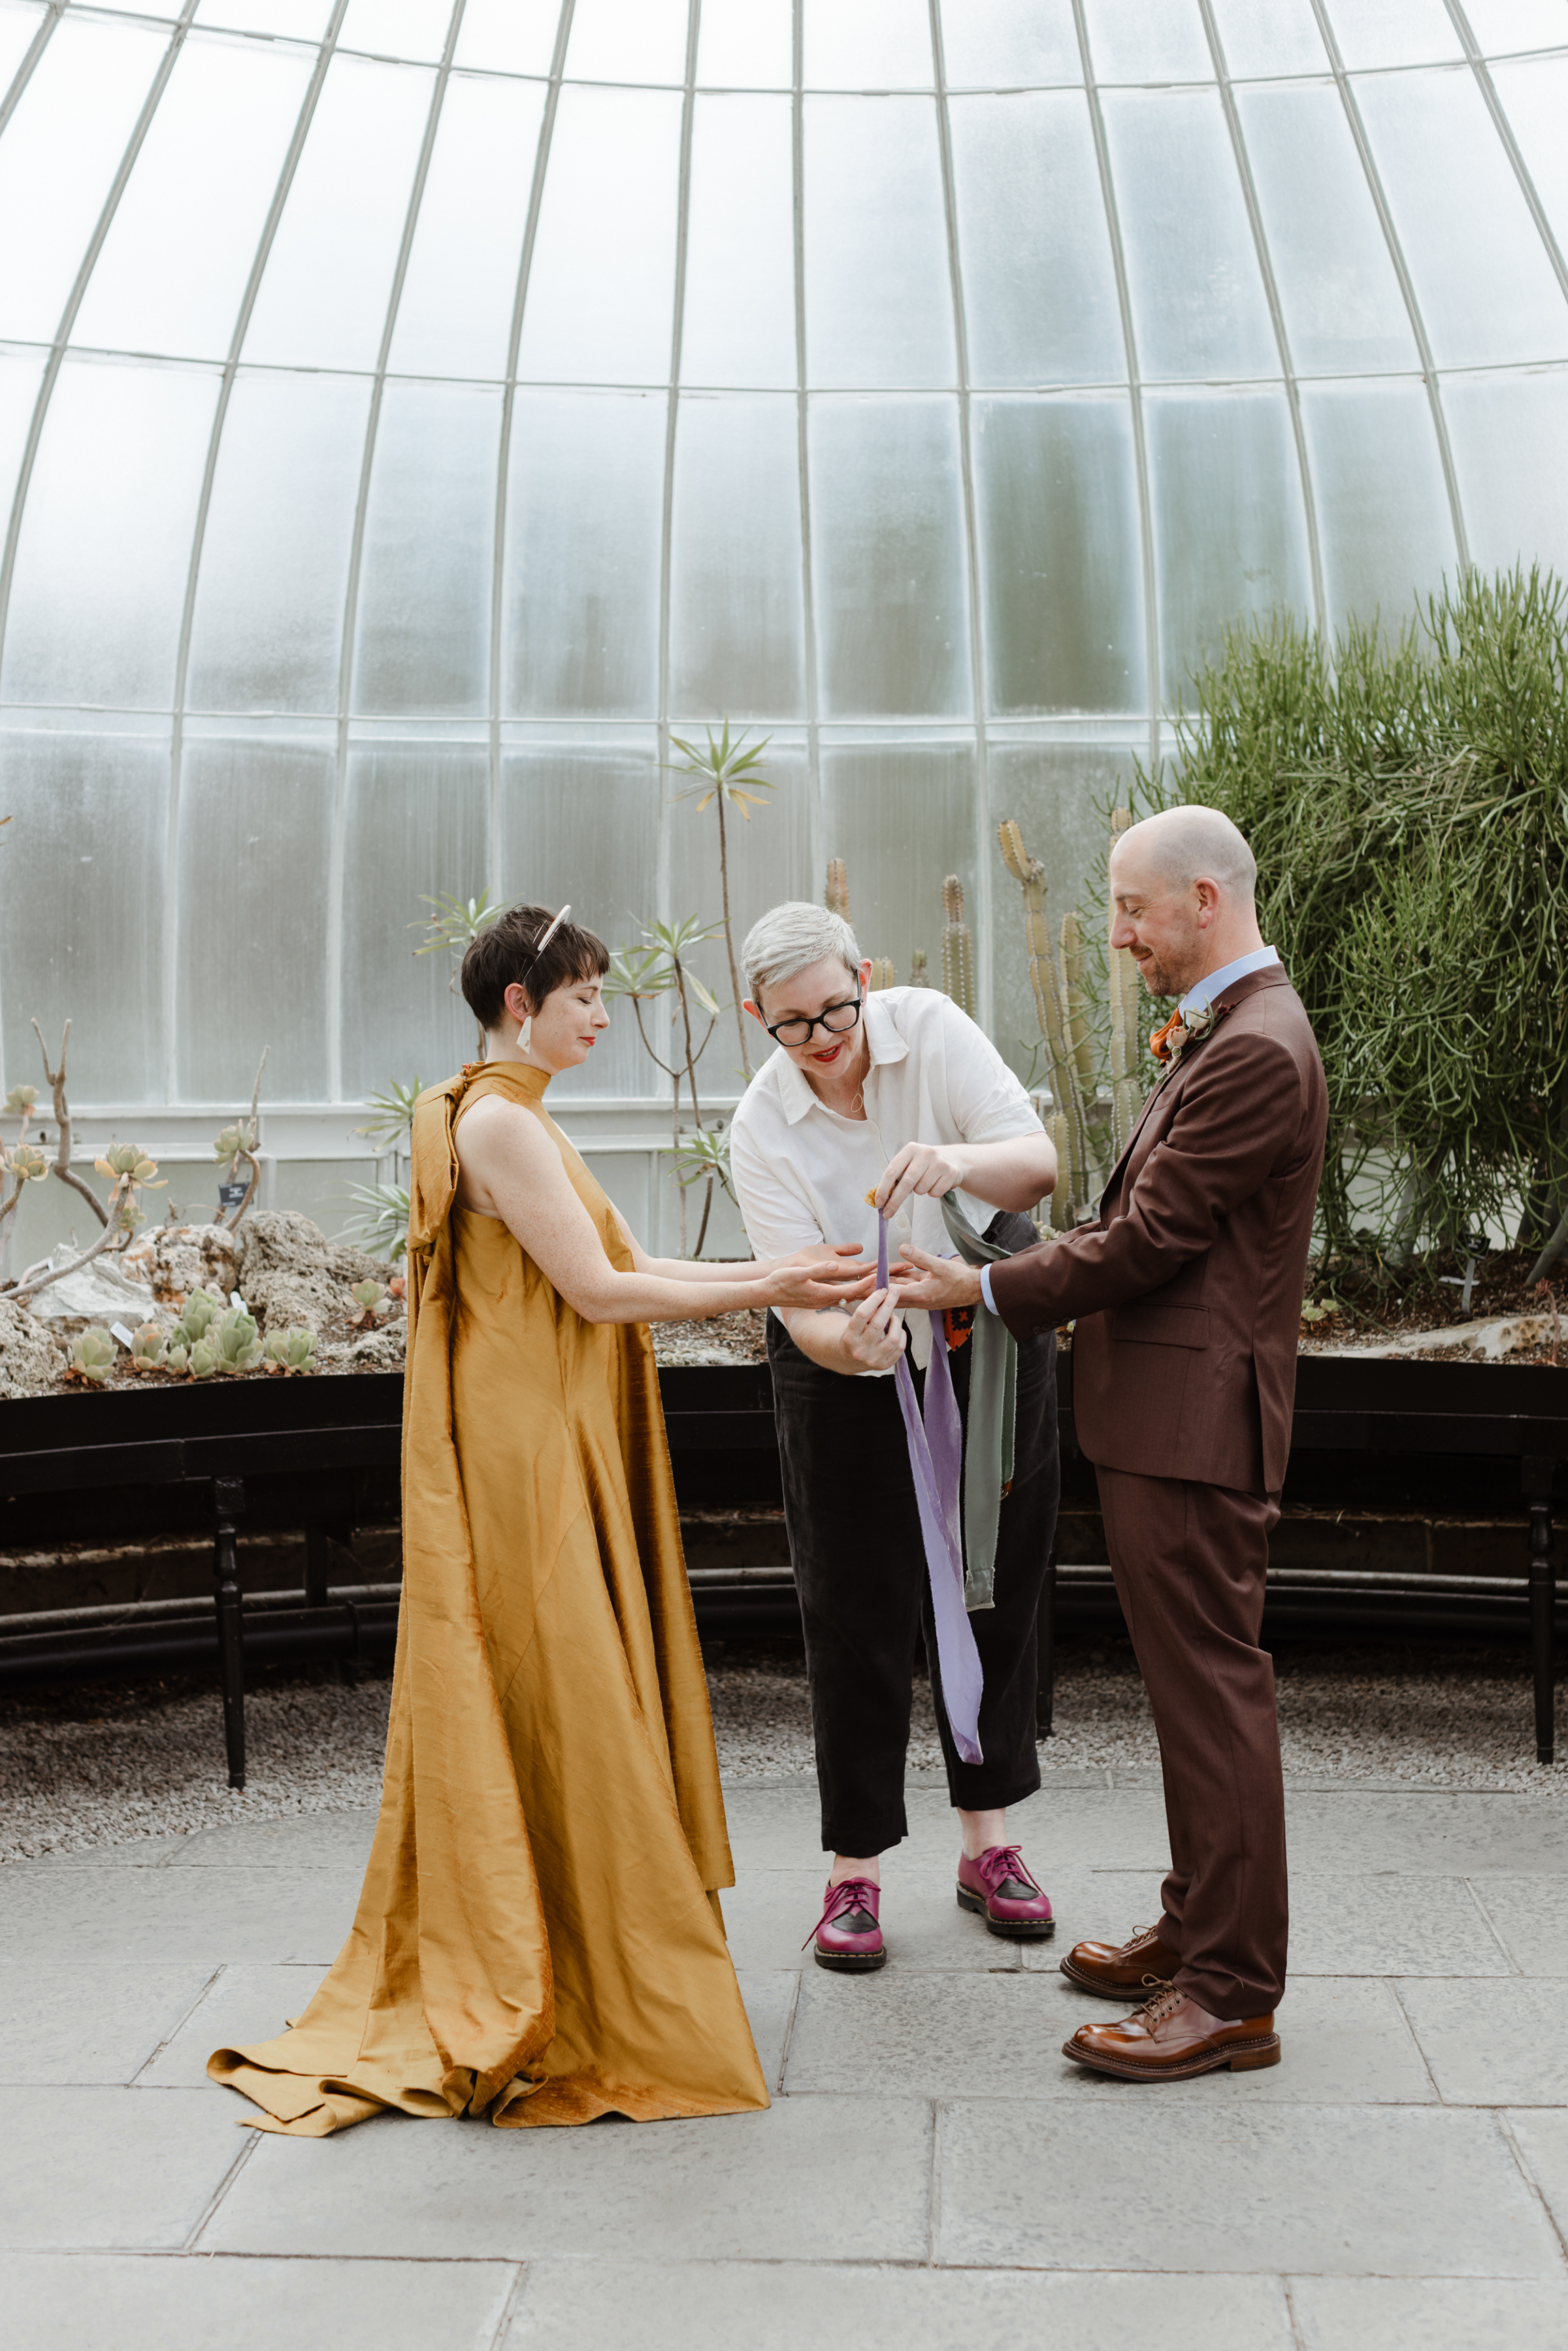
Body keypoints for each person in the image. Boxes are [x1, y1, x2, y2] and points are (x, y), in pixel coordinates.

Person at [210, 902, 872, 2133]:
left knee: (558, 1689)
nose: (603, 1017)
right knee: (562, 1688)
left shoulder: (493, 1114)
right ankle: (560, 1966)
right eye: (585, 999)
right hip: (525, 1456)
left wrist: (775, 1276)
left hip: (531, 1435)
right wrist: (778, 1282)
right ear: (523, 1001)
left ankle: (549, 1937)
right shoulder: (503, 1125)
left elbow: (615, 1272)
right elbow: (604, 1288)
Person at [896, 806, 1328, 2082]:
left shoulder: (1257, 1048)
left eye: (1134, 909)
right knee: (1197, 1697)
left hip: (1196, 1427)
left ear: (1204, 898)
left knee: (1212, 1701)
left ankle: (1232, 1992)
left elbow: (1150, 1238)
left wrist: (974, 1287)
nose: (1122, 934)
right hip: (1170, 1418)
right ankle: (1201, 1926)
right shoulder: (1235, 1028)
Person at [727, 901, 1061, 1973]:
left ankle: (990, 1844)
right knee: (852, 1604)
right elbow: (798, 1308)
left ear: (864, 974)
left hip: (979, 1333)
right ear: (757, 1019)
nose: (825, 1039)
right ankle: (853, 1867)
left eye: (837, 1007)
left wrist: (952, 1163)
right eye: (794, 1025)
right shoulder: (760, 1125)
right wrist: (853, 1349)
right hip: (844, 1367)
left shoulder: (934, 1027)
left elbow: (1038, 1166)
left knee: (996, 1583)